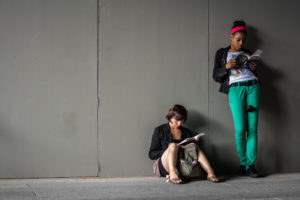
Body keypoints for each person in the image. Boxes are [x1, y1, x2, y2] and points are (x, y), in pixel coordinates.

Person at [213, 20, 260, 178]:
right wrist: (226, 67)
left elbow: (252, 68)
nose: (241, 43)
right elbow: (215, 76)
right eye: (238, 39)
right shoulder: (222, 53)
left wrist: (253, 66)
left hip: (253, 87)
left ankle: (250, 166)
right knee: (240, 129)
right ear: (231, 37)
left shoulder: (247, 52)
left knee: (252, 128)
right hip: (235, 89)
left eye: (243, 41)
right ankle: (243, 162)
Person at [149, 104, 219, 184]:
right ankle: (173, 174)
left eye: (181, 121)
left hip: (182, 163)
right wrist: (170, 150)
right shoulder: (159, 130)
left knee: (194, 147)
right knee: (173, 145)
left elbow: (191, 152)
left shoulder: (186, 131)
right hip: (164, 164)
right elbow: (151, 154)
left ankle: (210, 173)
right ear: (170, 117)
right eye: (177, 120)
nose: (179, 124)